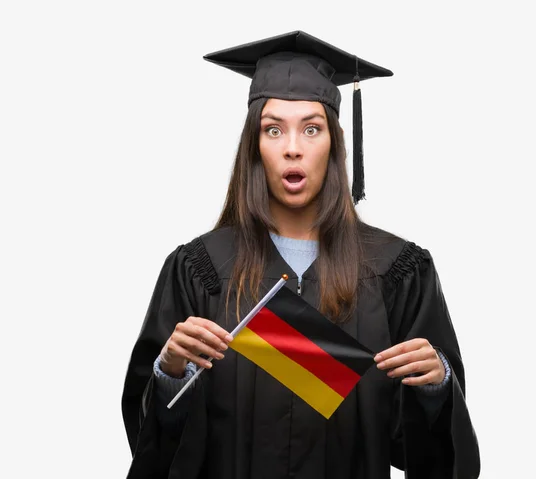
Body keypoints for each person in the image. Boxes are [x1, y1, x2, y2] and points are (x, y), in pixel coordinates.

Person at [121, 30, 480, 479]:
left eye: (312, 128)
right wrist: (170, 373)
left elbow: (426, 456)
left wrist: (437, 386)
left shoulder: (395, 272)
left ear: (335, 142)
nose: (293, 147)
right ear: (255, 144)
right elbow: (154, 450)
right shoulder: (200, 270)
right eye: (274, 129)